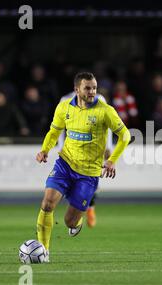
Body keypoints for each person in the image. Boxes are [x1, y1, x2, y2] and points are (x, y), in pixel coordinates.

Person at [35, 72, 130, 261]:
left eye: (94, 88)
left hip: (89, 174)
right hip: (65, 164)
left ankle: (76, 223)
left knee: (69, 221)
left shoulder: (105, 111)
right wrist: (44, 150)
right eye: (88, 88)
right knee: (47, 204)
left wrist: (112, 160)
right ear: (76, 89)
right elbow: (54, 131)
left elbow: (125, 136)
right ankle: (44, 251)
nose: (92, 91)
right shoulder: (64, 107)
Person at [58, 91, 114, 228]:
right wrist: (60, 147)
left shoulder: (99, 99)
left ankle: (90, 208)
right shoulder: (65, 99)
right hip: (73, 147)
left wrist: (108, 146)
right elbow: (60, 126)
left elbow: (108, 123)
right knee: (72, 181)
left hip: (94, 146)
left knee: (91, 180)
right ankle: (81, 210)